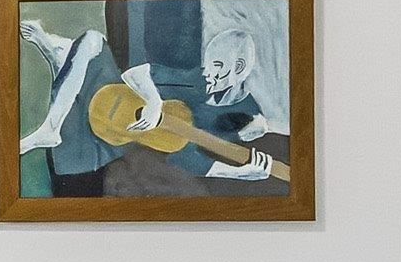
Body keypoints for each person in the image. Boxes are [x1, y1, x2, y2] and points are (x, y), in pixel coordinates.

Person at [18, 14, 279, 183]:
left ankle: (52, 51)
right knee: (92, 41)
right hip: (115, 92)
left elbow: (193, 162)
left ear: (240, 67)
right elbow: (137, 72)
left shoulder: (241, 116)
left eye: (219, 65)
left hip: (110, 134)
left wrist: (241, 174)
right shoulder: (195, 79)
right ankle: (51, 127)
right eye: (209, 63)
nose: (209, 72)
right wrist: (153, 102)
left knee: (73, 68)